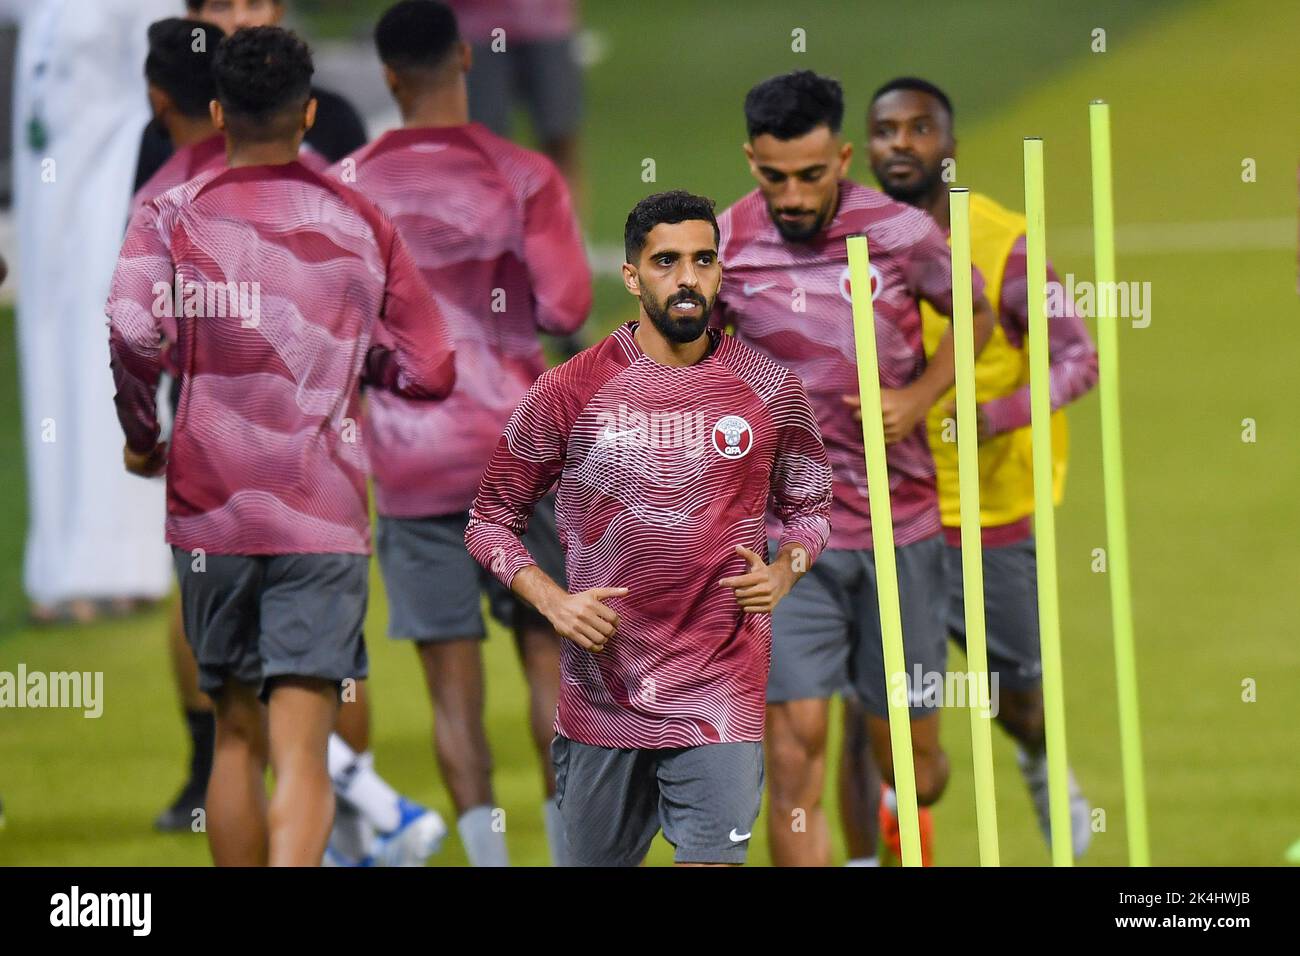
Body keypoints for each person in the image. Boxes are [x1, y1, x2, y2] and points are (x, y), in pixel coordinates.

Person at [105, 26, 455, 866]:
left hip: (209, 513)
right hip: (320, 512)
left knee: (235, 735)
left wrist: (142, 435)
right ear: (308, 113)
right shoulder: (361, 218)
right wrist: (361, 366)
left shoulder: (170, 213)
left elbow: (128, 329)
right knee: (302, 749)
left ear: (218, 111)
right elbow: (433, 366)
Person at [465, 190, 833, 866]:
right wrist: (554, 603)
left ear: (720, 271)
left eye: (702, 260)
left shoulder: (770, 390)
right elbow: (490, 521)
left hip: (720, 693)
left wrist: (786, 570)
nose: (687, 277)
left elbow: (810, 508)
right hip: (602, 700)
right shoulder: (568, 391)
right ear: (633, 277)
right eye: (666, 261)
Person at [331, 0, 590, 867]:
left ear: (391, 77)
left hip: (411, 468)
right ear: (467, 63)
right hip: (525, 456)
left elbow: (338, 332)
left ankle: (489, 861)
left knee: (452, 688)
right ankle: (565, 855)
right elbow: (564, 306)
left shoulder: (346, 188)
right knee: (550, 666)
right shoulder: (521, 175)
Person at [714, 70, 996, 867]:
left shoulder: (902, 233)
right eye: (774, 177)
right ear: (751, 160)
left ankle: (890, 793)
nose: (794, 196)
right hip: (788, 539)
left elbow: (973, 314)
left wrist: (921, 394)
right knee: (795, 747)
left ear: (842, 156)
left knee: (915, 761)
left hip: (901, 528)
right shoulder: (726, 246)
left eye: (811, 175)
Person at [853, 75, 1098, 860]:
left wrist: (999, 416)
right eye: (887, 130)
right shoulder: (841, 245)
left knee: (1017, 703)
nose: (902, 144)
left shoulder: (1003, 243)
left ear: (950, 147)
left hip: (987, 520)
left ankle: (1040, 766)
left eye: (920, 129)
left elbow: (1078, 359)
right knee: (879, 722)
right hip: (877, 521)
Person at [4, 0, 176, 625]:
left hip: (111, 183)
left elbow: (161, 77)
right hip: (47, 194)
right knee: (49, 362)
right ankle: (59, 563)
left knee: (106, 352)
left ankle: (124, 564)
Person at [133, 0, 367, 192]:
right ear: (194, 20)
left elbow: (361, 210)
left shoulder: (335, 118)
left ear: (277, 12)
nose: (240, 20)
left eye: (254, 4)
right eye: (221, 6)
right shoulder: (170, 127)